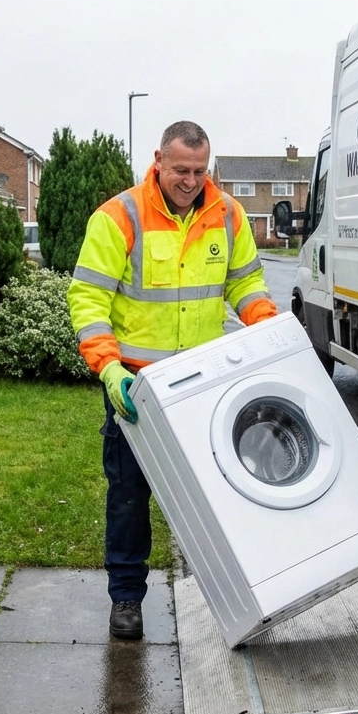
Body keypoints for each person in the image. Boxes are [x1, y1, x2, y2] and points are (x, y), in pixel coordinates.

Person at [67, 120, 278, 640]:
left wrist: (268, 326)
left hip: (205, 383)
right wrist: (109, 368)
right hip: (137, 386)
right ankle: (126, 599)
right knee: (129, 495)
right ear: (158, 159)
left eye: (200, 171)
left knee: (222, 491)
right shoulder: (119, 217)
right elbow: (88, 298)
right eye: (180, 170)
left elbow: (245, 282)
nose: (190, 181)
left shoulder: (226, 214)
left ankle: (237, 594)